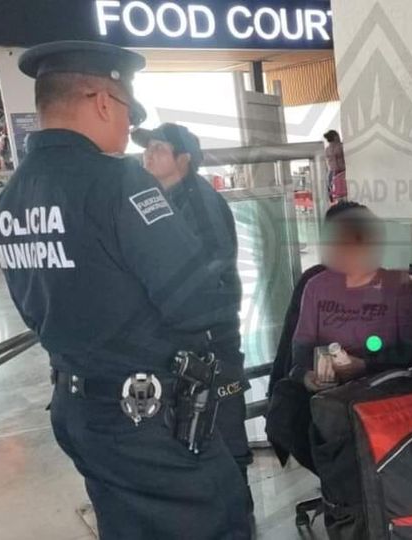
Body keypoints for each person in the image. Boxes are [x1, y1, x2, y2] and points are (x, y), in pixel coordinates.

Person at [0, 41, 250, 539]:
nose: (130, 128)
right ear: (103, 101)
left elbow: (36, 306)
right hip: (148, 418)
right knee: (217, 518)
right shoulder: (121, 183)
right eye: (128, 109)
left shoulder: (8, 202)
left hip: (78, 409)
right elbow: (197, 303)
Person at [131, 123, 253, 511]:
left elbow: (210, 270)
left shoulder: (199, 202)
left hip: (211, 335)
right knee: (194, 423)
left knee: (223, 421)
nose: (148, 154)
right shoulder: (160, 200)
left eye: (159, 148)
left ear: (183, 159)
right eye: (147, 147)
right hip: (183, 333)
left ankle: (238, 513)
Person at [291, 204, 412, 391]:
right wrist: (306, 376)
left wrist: (365, 365)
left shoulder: (396, 287)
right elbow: (300, 352)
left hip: (376, 391)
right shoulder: (316, 286)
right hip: (325, 394)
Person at [323, 130, 346, 203]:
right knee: (344, 194)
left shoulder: (327, 149)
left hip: (332, 173)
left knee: (336, 195)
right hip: (342, 172)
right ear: (335, 137)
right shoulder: (341, 146)